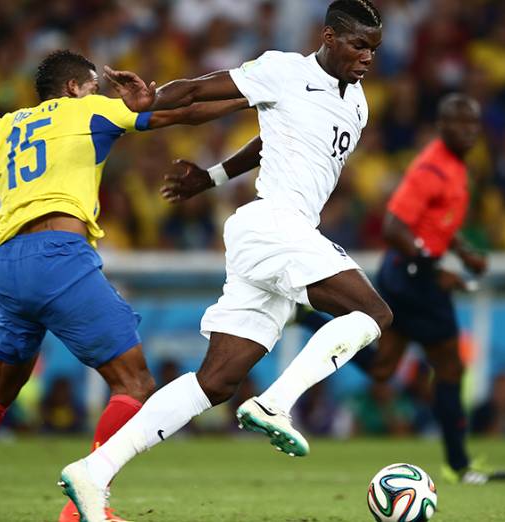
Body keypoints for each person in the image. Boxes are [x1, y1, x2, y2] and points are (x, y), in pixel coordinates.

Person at [0, 49, 248, 522]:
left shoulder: (0, 126)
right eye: (93, 86)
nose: (100, 94)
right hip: (58, 255)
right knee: (134, 382)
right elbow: (181, 110)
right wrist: (252, 96)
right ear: (73, 88)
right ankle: (85, 505)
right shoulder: (90, 110)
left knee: (1, 385)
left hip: (8, 263)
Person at [58, 2, 390, 519]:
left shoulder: (358, 104)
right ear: (328, 36)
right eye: (358, 45)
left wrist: (211, 177)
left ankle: (93, 472)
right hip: (274, 224)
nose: (367, 57)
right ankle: (276, 404)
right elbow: (199, 92)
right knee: (373, 315)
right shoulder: (284, 70)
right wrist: (153, 99)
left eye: (374, 49)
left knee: (216, 381)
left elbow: (271, 141)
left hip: (281, 236)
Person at [297, 94, 505, 484]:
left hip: (407, 275)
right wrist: (435, 267)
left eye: (473, 124)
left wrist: (463, 251)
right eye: (459, 123)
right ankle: (459, 466)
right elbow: (394, 227)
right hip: (415, 280)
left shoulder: (457, 166)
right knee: (449, 367)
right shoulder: (431, 168)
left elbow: (436, 221)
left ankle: (305, 317)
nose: (468, 131)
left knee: (382, 367)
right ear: (441, 127)